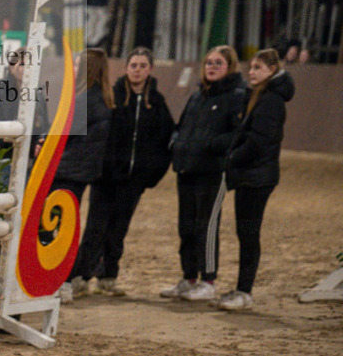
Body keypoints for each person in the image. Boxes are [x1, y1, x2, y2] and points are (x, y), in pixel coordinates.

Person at [66, 47, 175, 297]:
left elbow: (166, 138)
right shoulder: (111, 96)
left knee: (119, 228)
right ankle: (82, 276)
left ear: (150, 69)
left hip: (133, 180)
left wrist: (151, 174)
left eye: (142, 66)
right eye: (133, 65)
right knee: (95, 226)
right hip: (106, 178)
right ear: (126, 68)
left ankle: (108, 276)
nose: (137, 70)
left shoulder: (157, 103)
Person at [208, 48, 294, 310]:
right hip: (251, 175)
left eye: (258, 68)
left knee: (248, 233)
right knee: (245, 232)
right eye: (251, 68)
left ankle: (245, 291)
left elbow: (258, 141)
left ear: (272, 70)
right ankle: (241, 289)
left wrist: (233, 158)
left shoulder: (271, 100)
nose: (252, 72)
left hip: (257, 177)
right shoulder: (260, 95)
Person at [161, 45, 245, 301]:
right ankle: (189, 278)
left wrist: (212, 146)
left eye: (218, 63)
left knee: (206, 226)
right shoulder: (198, 96)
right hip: (187, 168)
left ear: (229, 66)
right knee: (185, 226)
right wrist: (176, 143)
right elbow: (181, 125)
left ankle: (208, 280)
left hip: (212, 171)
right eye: (209, 62)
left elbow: (238, 133)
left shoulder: (236, 96)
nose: (211, 66)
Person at [0, 46, 50, 288]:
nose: (24, 69)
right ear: (11, 67)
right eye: (20, 64)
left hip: (28, 164)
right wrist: (10, 139)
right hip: (1, 162)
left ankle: (16, 279)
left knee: (25, 223)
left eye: (28, 65)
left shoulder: (37, 93)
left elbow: (44, 125)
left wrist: (40, 140)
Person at [54, 48, 114, 303]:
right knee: (68, 224)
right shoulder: (102, 97)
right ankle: (67, 280)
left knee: (57, 227)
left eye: (78, 65)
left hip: (68, 170)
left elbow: (62, 135)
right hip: (82, 171)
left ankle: (62, 280)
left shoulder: (83, 99)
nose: (74, 69)